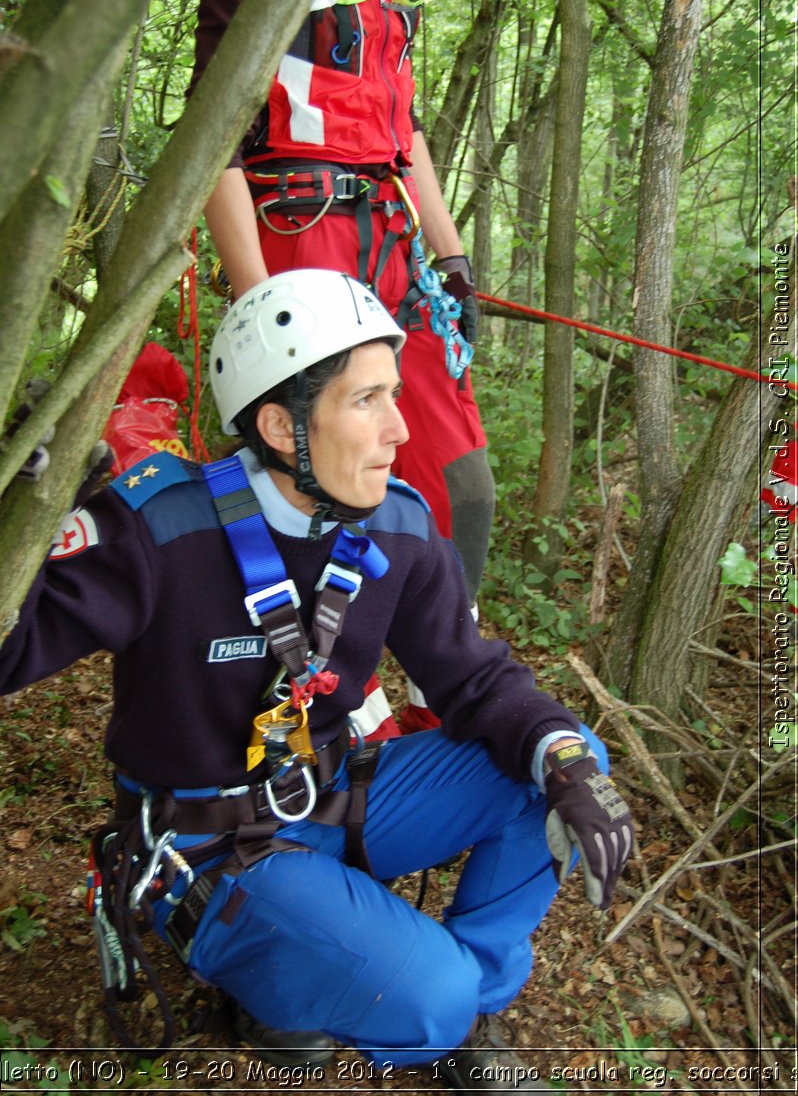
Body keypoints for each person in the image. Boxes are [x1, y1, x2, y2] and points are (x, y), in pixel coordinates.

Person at [0, 271, 634, 1091]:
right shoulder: (160, 527)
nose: (400, 428)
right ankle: (336, 987)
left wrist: (559, 755)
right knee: (424, 995)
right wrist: (15, 514)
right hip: (206, 845)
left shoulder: (398, 523)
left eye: (394, 396)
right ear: (279, 423)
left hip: (329, 796)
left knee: (562, 758)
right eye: (366, 400)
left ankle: (467, 1011)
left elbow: (473, 681)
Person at [190, 0, 496, 735]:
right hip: (299, 227)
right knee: (314, 487)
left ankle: (448, 690)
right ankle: (336, 708)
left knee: (462, 488)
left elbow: (403, 115)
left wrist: (452, 253)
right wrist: (259, 301)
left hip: (395, 234)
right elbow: (214, 123)